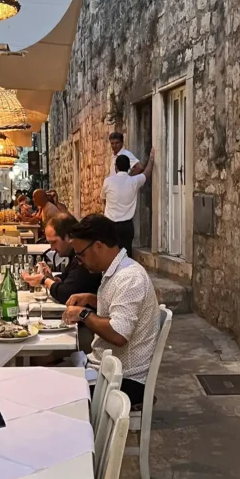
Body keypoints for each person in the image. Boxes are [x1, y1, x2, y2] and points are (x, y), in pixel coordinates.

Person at [62, 214, 160, 404]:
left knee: (50, 391)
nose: (79, 260)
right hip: (105, 369)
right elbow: (121, 308)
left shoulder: (129, 277)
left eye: (81, 254)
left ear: (98, 246)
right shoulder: (117, 271)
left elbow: (118, 334)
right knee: (47, 372)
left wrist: (83, 314)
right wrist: (92, 299)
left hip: (123, 379)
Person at [21, 213, 101, 305]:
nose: (52, 248)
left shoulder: (82, 256)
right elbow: (67, 277)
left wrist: (44, 280)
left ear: (69, 236)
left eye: (54, 242)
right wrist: (51, 278)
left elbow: (66, 294)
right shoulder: (73, 254)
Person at [101, 149, 155, 256]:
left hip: (110, 225)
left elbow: (103, 199)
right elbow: (147, 173)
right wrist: (151, 159)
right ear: (128, 167)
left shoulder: (108, 181)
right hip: (126, 226)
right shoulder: (134, 181)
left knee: (110, 256)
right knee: (126, 256)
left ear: (116, 167)